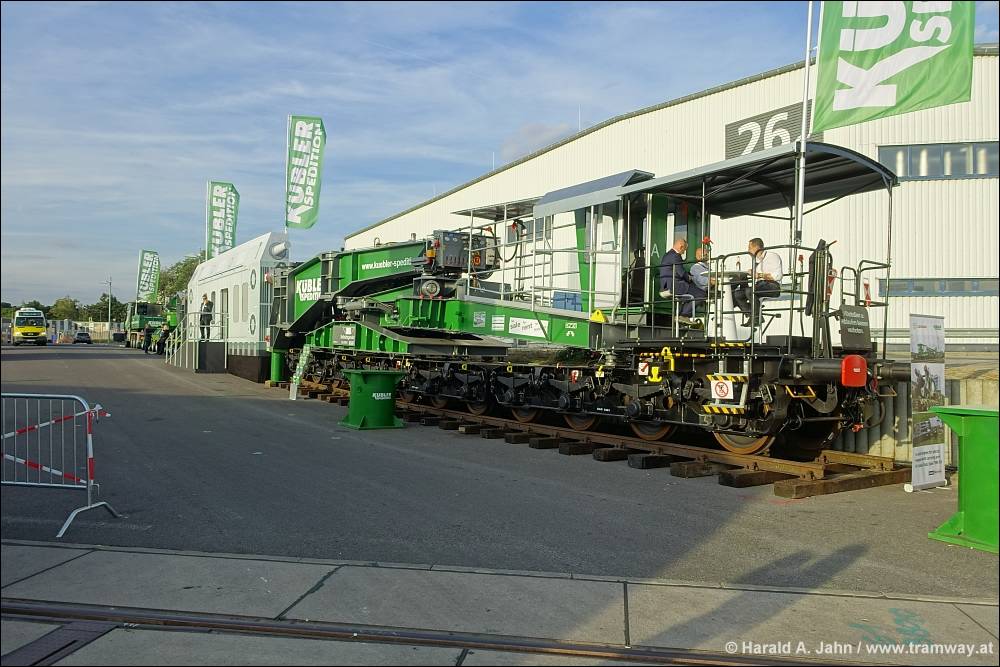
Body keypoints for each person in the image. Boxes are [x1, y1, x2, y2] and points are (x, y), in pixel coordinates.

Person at [730, 237, 782, 327]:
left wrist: (760, 275)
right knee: (737, 294)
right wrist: (751, 272)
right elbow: (757, 275)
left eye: (749, 248)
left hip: (772, 286)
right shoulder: (757, 261)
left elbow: (777, 276)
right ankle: (752, 314)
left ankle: (756, 318)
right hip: (760, 285)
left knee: (750, 291)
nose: (748, 250)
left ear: (757, 247)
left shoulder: (772, 256)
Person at [658, 238, 705, 318]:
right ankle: (684, 315)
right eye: (684, 250)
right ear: (681, 247)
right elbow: (681, 273)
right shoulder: (676, 256)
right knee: (701, 294)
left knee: (689, 295)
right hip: (674, 285)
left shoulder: (667, 255)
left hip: (665, 286)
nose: (684, 252)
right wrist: (689, 278)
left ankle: (680, 316)